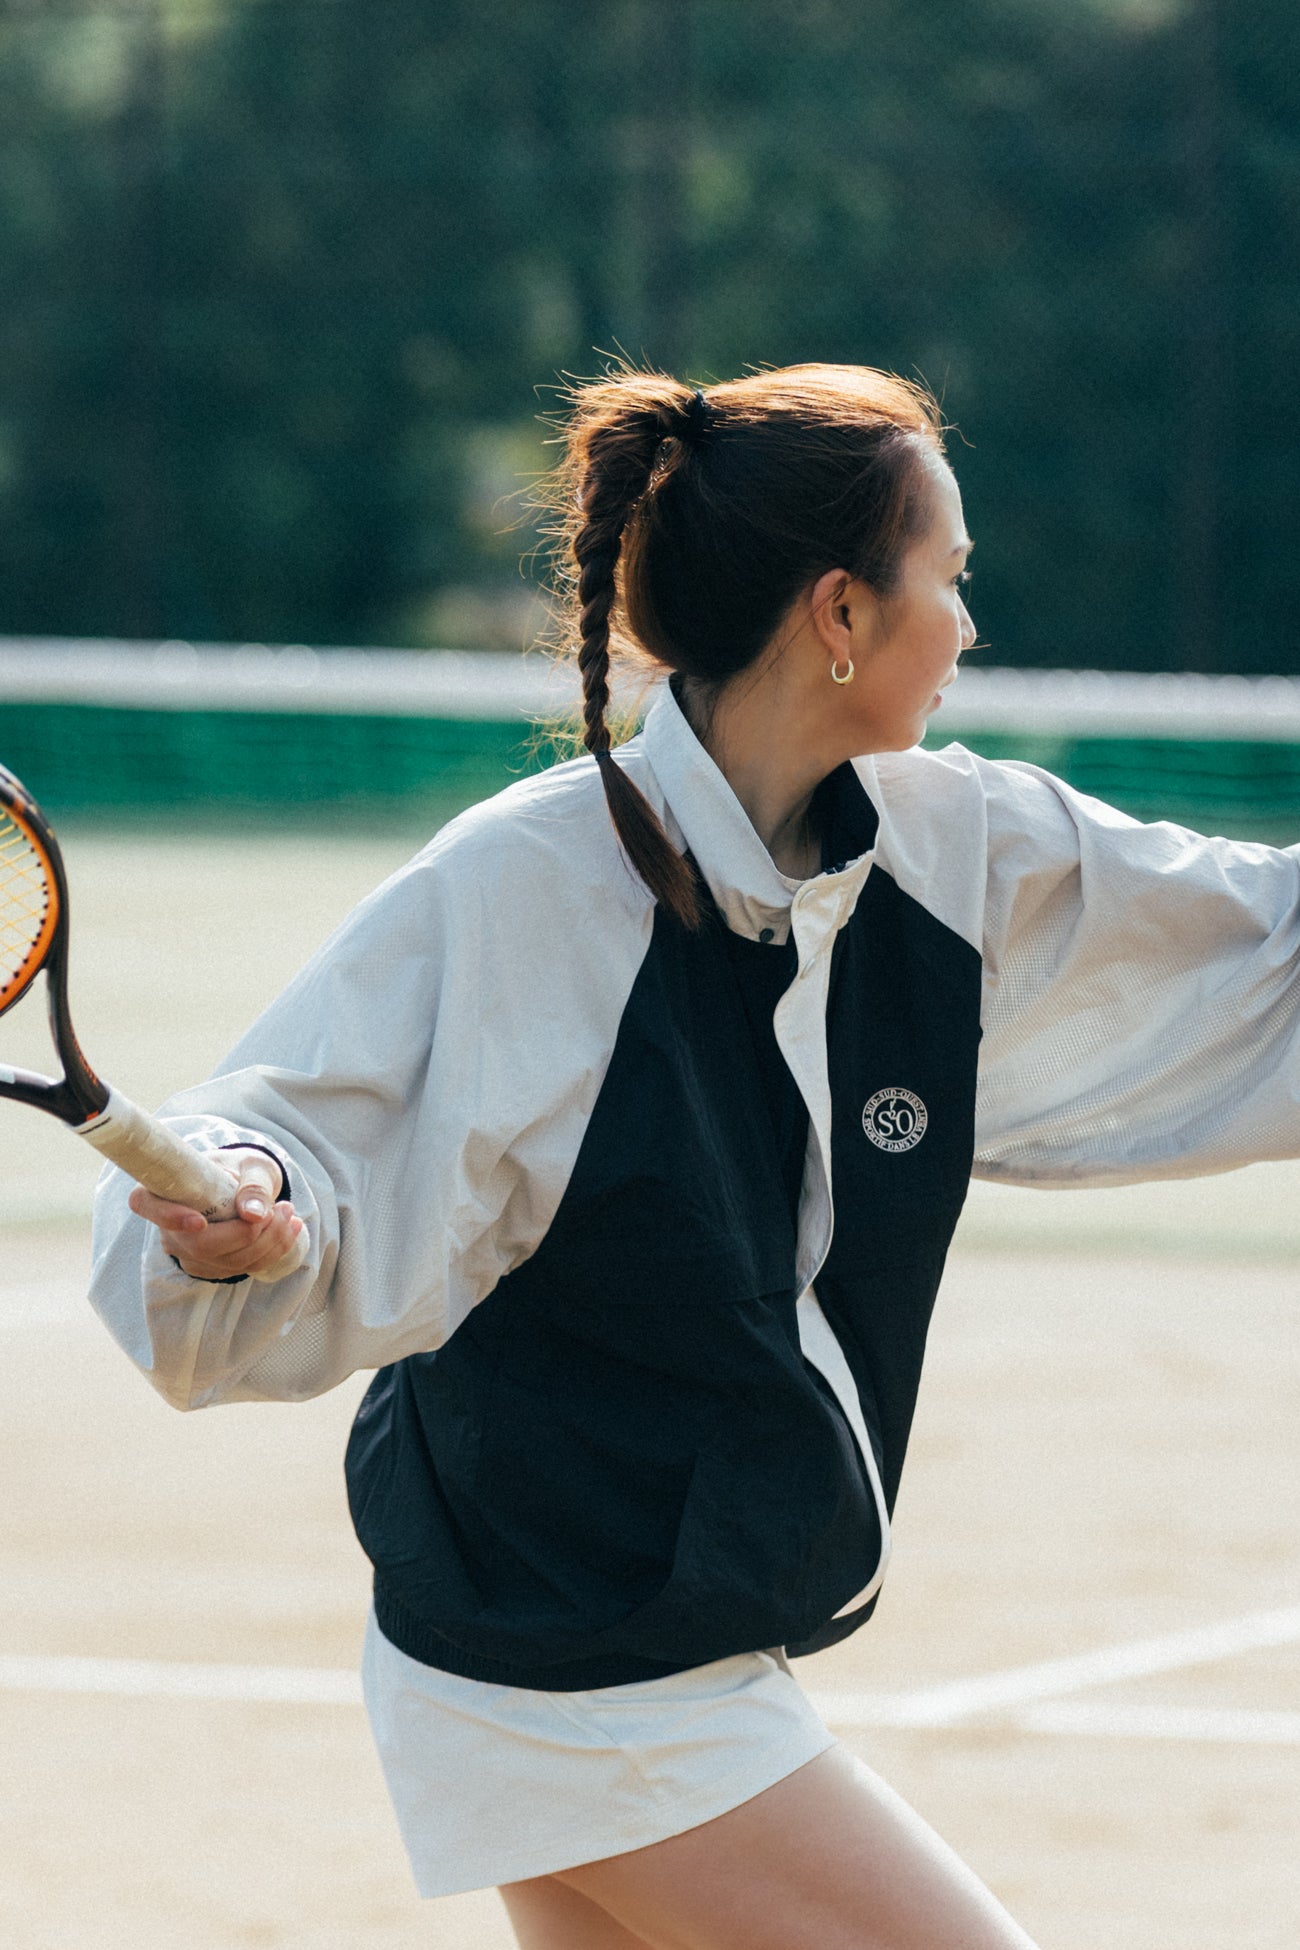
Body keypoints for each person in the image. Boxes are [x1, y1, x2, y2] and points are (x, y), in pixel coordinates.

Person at [90, 364, 1300, 1950]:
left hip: (613, 1625)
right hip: (565, 1645)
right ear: (841, 615)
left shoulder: (960, 847)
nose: (970, 624)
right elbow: (290, 1124)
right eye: (952, 578)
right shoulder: (526, 885)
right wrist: (234, 1220)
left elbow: (1252, 935)